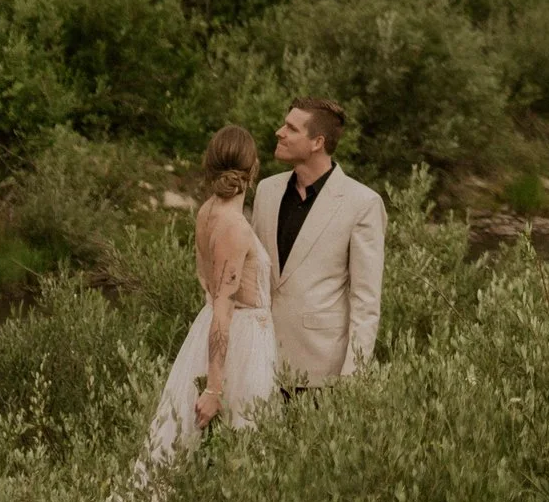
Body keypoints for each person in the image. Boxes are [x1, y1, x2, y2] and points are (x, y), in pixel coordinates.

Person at [136, 124, 278, 472]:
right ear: (254, 168)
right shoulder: (234, 225)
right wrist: (214, 388)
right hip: (238, 342)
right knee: (240, 447)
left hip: (216, 331)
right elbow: (224, 307)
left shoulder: (208, 211)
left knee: (203, 452)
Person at [250, 96, 384, 392]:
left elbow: (366, 301)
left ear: (317, 142)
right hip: (259, 362)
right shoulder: (266, 191)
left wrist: (354, 378)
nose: (279, 132)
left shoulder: (363, 203)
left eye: (291, 128)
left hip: (321, 373)